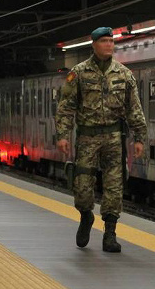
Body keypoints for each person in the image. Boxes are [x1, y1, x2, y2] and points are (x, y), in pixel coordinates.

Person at [56, 27, 147, 253]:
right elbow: (66, 107)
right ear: (93, 44)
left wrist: (139, 137)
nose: (109, 45)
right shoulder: (78, 74)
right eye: (104, 41)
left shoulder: (124, 75)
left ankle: (110, 233)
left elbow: (134, 108)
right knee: (83, 187)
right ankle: (86, 215)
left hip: (114, 137)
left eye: (111, 41)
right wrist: (63, 135)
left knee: (114, 186)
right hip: (87, 137)